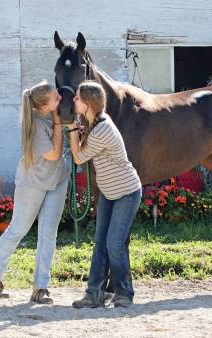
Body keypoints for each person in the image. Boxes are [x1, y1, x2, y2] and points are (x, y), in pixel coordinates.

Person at [0, 80, 68, 304]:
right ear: (45, 107)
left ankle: (40, 287)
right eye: (56, 97)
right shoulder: (36, 124)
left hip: (58, 179)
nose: (61, 98)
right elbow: (54, 154)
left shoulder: (52, 114)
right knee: (18, 229)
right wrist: (58, 122)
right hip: (33, 183)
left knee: (49, 233)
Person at [68, 81, 142, 308]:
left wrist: (72, 130)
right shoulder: (94, 122)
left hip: (126, 193)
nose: (74, 101)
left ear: (88, 104)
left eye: (77, 98)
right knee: (100, 242)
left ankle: (124, 293)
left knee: (114, 244)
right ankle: (94, 294)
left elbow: (79, 158)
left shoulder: (102, 129)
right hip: (109, 193)